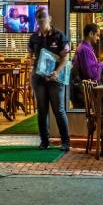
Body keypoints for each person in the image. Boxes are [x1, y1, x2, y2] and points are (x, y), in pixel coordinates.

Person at [27, 8, 72, 151]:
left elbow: (66, 57)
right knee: (42, 110)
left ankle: (65, 142)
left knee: (58, 110)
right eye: (39, 19)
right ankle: (44, 141)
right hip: (39, 78)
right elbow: (29, 55)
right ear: (36, 20)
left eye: (44, 18)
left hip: (55, 78)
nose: (41, 21)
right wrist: (30, 62)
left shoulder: (59, 36)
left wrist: (57, 72)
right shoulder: (34, 37)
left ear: (49, 19)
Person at [71, 23, 103, 108]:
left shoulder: (85, 47)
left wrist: (100, 64)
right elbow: (91, 74)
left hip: (89, 91)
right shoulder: (85, 49)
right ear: (91, 34)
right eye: (97, 35)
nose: (98, 38)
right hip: (89, 93)